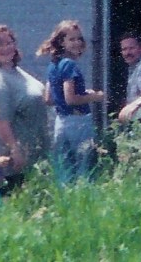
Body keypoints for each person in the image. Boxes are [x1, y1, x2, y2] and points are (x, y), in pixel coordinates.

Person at [0, 24, 48, 192]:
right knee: (20, 206)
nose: (5, 48)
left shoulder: (13, 71)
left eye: (9, 43)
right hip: (15, 163)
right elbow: (0, 121)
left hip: (34, 155)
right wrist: (15, 151)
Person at [38, 19, 104, 184]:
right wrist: (95, 97)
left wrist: (82, 92)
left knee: (65, 169)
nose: (77, 43)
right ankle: (85, 202)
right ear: (61, 42)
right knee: (85, 167)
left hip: (61, 122)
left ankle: (66, 203)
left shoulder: (53, 65)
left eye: (79, 39)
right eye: (71, 39)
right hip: (78, 120)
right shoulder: (69, 64)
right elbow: (71, 99)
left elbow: (49, 98)